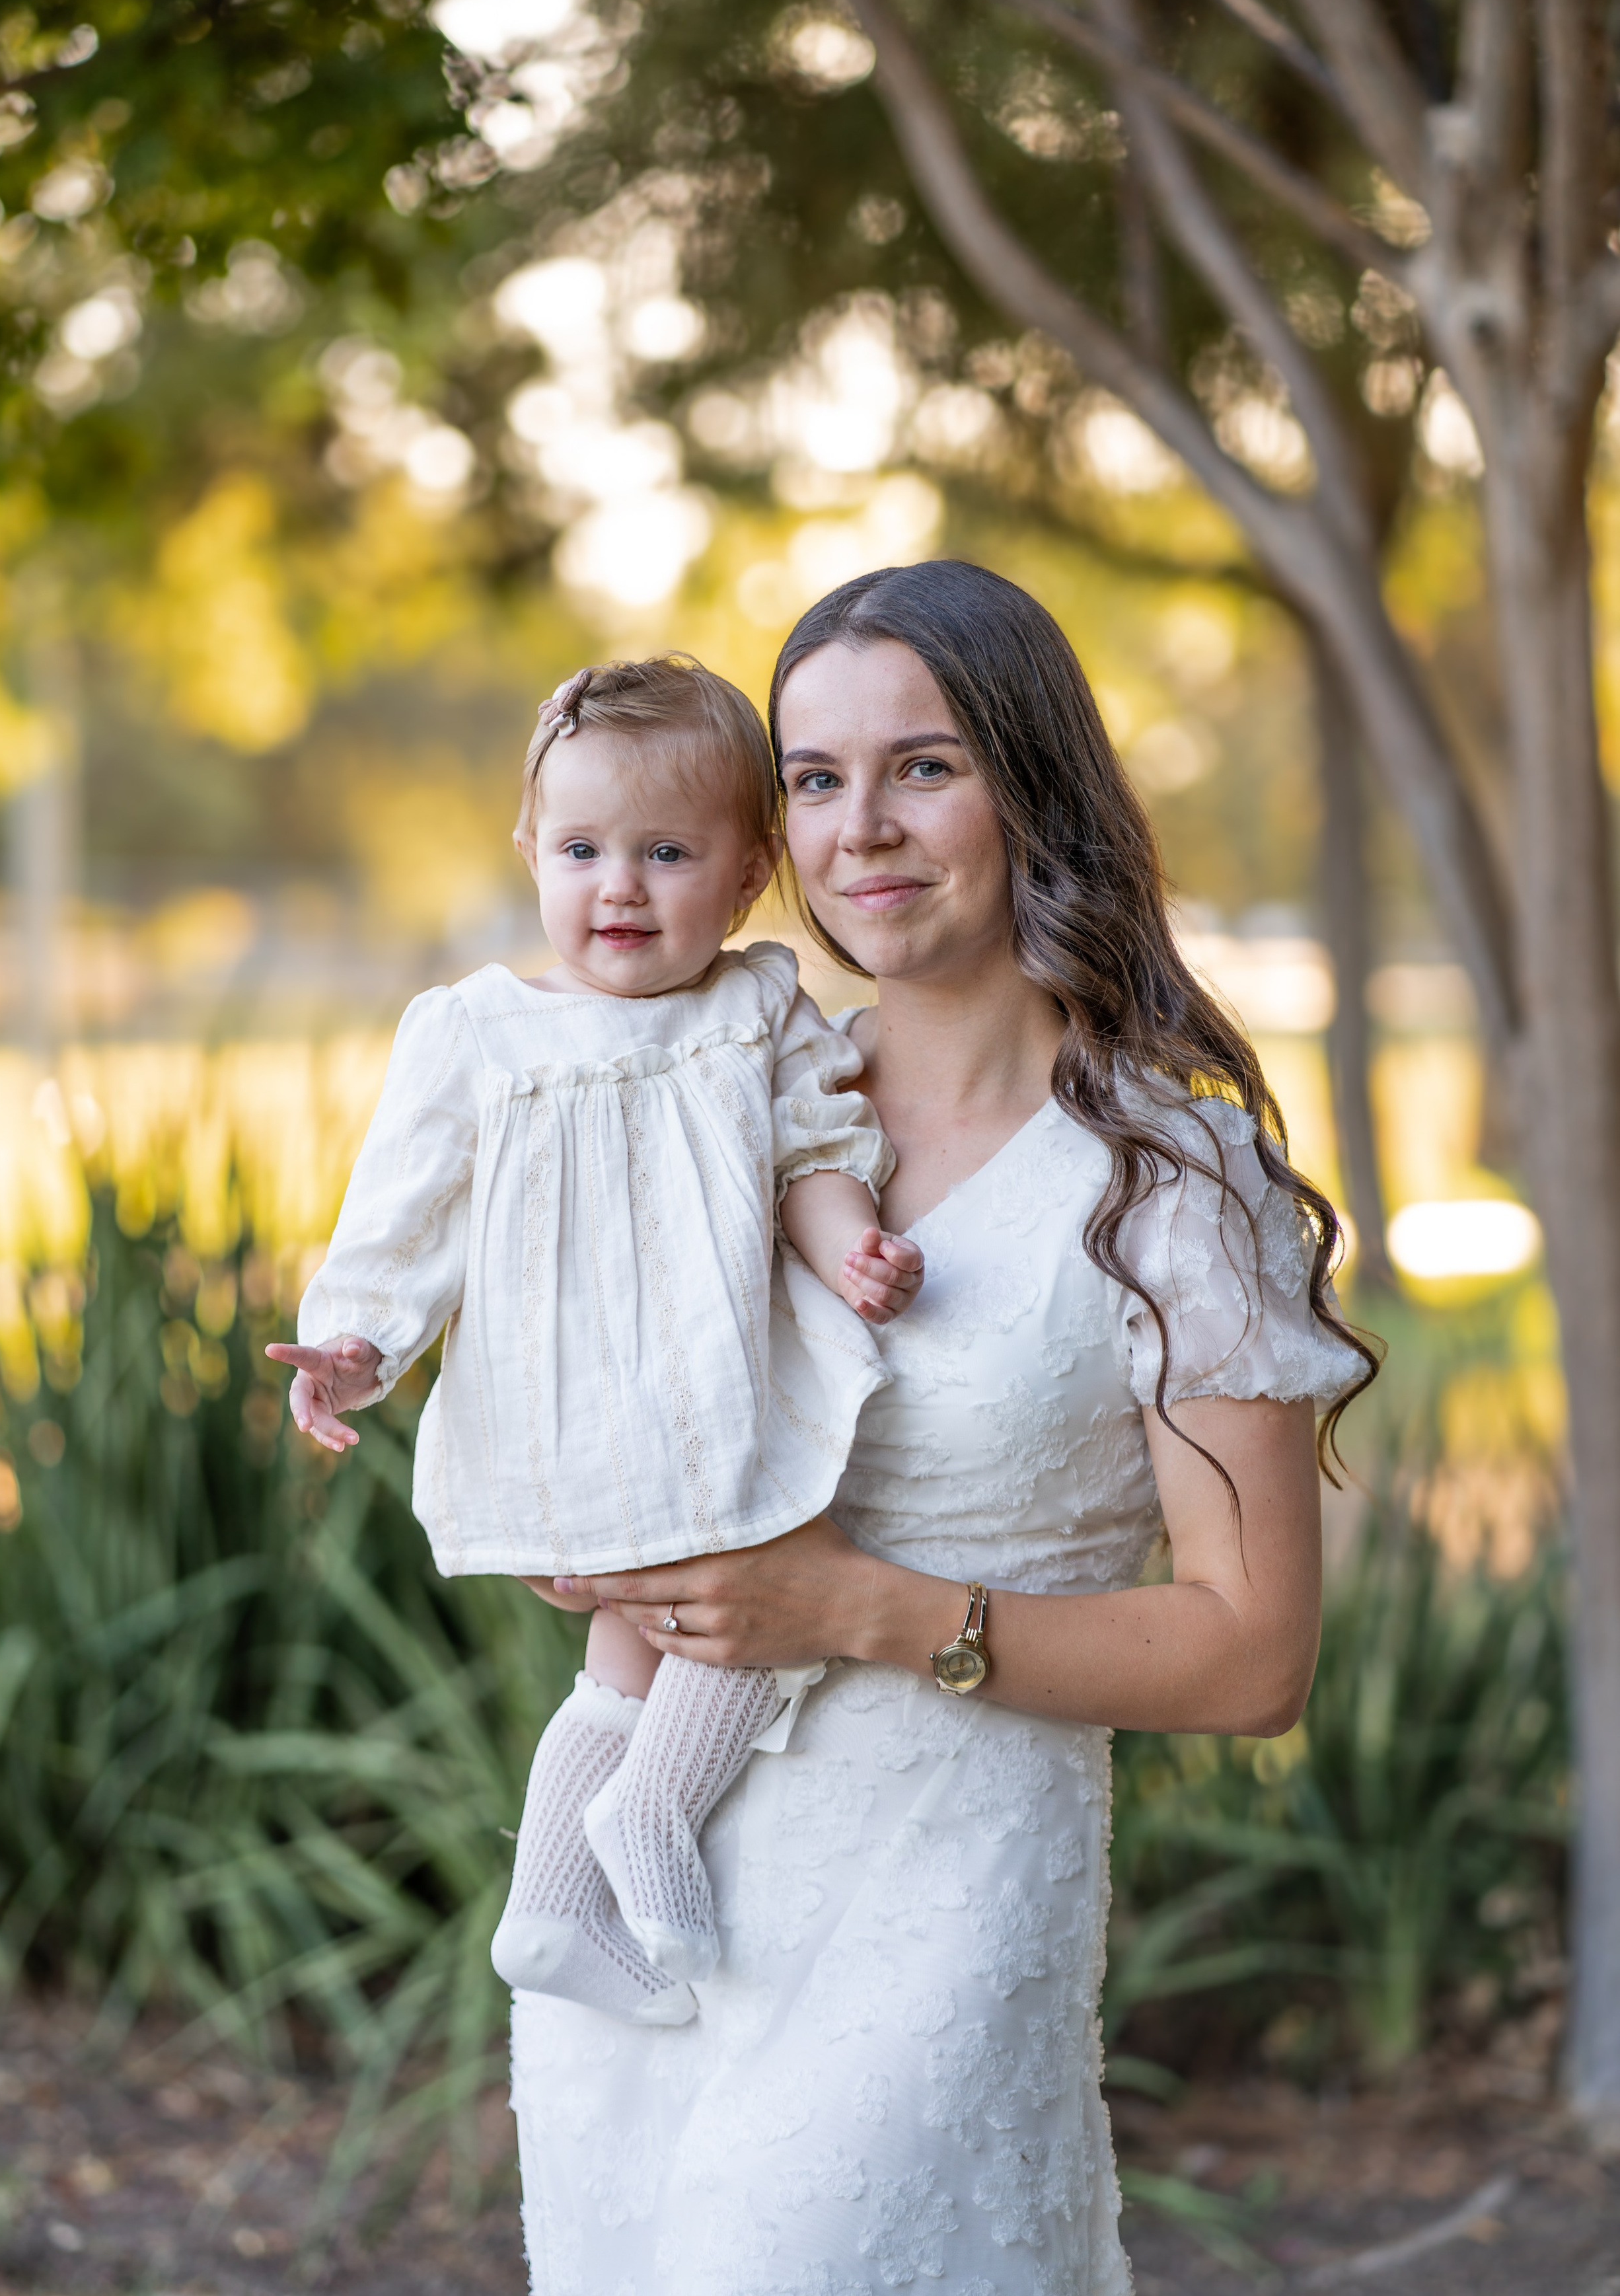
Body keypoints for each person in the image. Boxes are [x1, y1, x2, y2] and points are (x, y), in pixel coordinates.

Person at [508, 562, 1376, 2294]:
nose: (862, 828)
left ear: (1031, 786)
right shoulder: (728, 1099)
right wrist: (591, 1541)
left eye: (924, 765)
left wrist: (866, 1610)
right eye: (815, 779)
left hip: (943, 1907)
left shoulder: (1168, 1184)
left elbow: (1253, 1653)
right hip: (651, 1888)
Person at [267, 657, 924, 2030]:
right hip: (579, 1406)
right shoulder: (478, 1032)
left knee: (630, 1655)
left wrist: (846, 1238)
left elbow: (810, 1155)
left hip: (697, 1390)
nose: (616, 886)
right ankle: (650, 1811)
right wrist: (351, 1346)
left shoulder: (751, 1010)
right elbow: (405, 1218)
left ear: (745, 874)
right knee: (755, 1604)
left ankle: (549, 1911)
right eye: (581, 849)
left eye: (664, 852)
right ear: (529, 852)